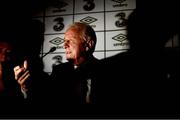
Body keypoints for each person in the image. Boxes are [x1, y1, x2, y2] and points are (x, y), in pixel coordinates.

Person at [49, 22, 102, 116]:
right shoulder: (58, 71)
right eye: (64, 41)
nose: (64, 45)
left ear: (88, 45)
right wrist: (26, 88)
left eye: (70, 40)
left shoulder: (106, 70)